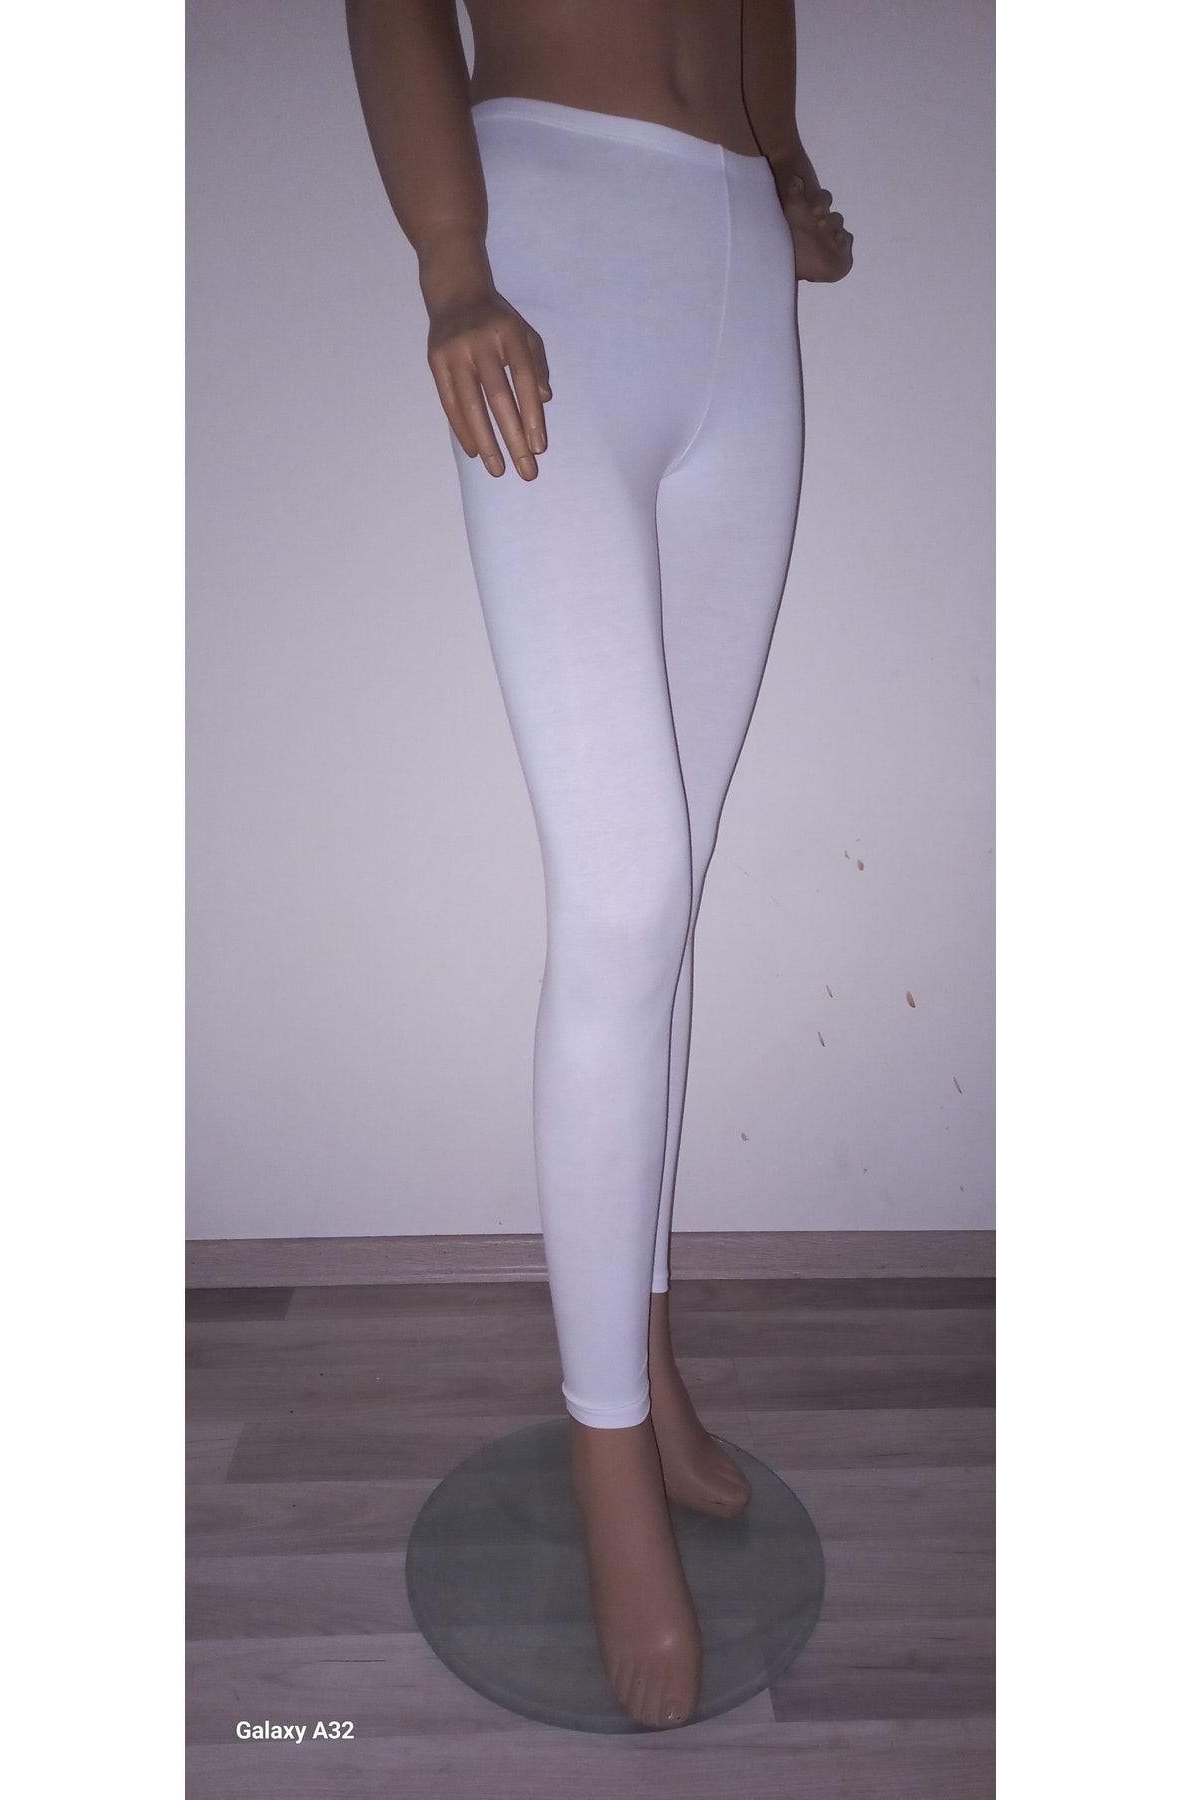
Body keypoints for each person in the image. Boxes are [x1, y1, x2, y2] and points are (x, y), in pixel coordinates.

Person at [346, 0, 852, 1730]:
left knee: (672, 897)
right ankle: (604, 1451)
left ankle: (644, 1357)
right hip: (549, 240)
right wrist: (452, 264)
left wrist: (785, 164)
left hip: (741, 265)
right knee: (623, 895)